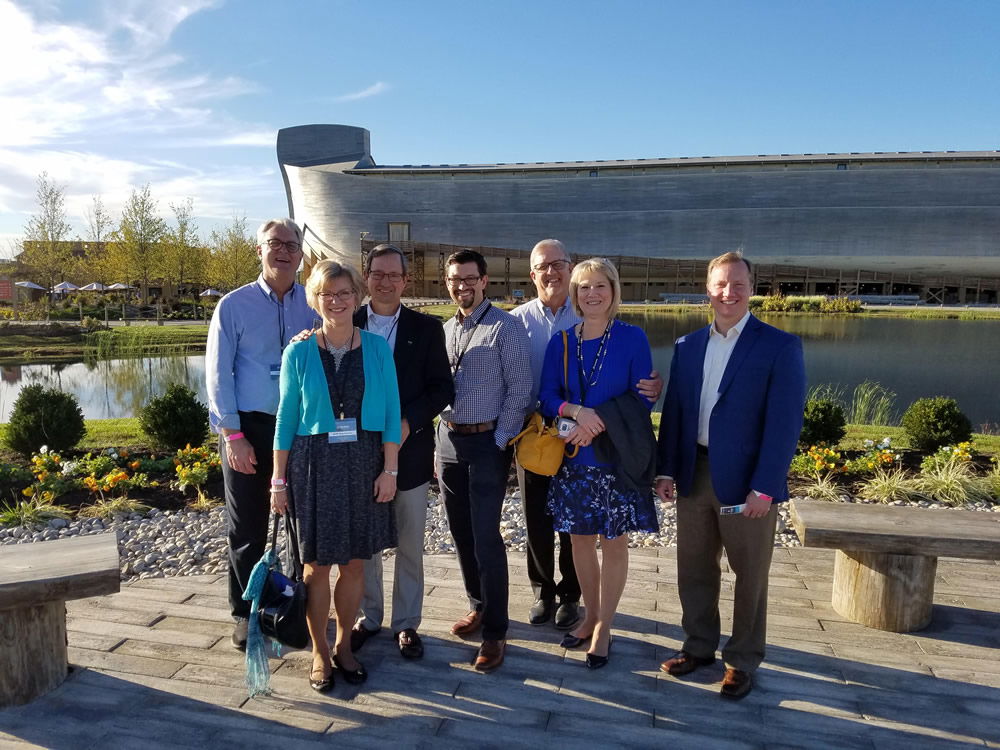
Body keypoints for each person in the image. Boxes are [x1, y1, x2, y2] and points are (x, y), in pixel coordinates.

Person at [654, 251, 805, 700]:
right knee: (694, 569)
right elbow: (675, 414)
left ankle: (741, 660)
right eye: (721, 284)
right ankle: (699, 646)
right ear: (708, 288)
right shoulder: (687, 347)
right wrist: (664, 470)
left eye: (738, 284)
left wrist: (766, 486)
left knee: (750, 575)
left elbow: (784, 425)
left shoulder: (779, 347)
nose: (729, 292)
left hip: (747, 483)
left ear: (751, 288)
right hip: (695, 473)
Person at [511, 240, 663, 630]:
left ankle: (603, 626)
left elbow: (641, 398)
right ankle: (586, 615)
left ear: (613, 291)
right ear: (574, 293)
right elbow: (547, 397)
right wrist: (577, 415)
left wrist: (598, 421)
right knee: (576, 540)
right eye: (585, 287)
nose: (592, 293)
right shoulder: (562, 342)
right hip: (571, 459)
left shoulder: (632, 338)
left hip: (615, 460)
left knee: (614, 545)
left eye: (600, 286)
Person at [270, 259, 401, 693]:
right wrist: (277, 480)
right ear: (315, 299)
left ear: (357, 297)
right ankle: (320, 653)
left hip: (364, 462)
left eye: (346, 293)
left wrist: (390, 469)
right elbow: (287, 416)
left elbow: (392, 415)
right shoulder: (300, 350)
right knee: (316, 567)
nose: (338, 301)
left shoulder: (378, 348)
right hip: (314, 464)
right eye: (329, 293)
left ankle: (345, 645)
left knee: (355, 563)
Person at [205, 218, 319, 651]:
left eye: (292, 244)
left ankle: (292, 603)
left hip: (302, 428)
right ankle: (244, 610)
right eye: (275, 244)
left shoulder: (312, 304)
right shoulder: (233, 306)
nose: (284, 251)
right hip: (249, 428)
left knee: (300, 524)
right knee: (249, 526)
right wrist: (233, 435)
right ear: (260, 250)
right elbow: (218, 375)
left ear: (301, 253)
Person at [349, 244, 454, 660]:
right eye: (378, 273)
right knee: (367, 542)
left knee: (410, 542)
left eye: (394, 275)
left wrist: (408, 421)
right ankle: (369, 617)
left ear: (406, 281)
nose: (386, 281)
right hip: (356, 453)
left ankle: (407, 623)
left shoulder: (427, 329)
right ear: (366, 276)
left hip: (409, 452)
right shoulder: (345, 321)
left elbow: (441, 389)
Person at [436, 248, 532, 672]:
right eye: (455, 279)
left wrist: (498, 442)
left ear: (484, 280)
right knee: (460, 533)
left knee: (486, 538)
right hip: (449, 443)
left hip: (486, 443)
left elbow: (521, 390)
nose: (462, 286)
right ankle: (477, 605)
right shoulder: (444, 330)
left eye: (469, 278)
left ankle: (495, 631)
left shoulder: (505, 328)